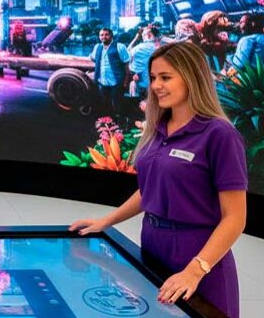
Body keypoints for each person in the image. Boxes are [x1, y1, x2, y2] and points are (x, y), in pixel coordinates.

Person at [70, 42, 247, 317]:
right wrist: (106, 221)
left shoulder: (220, 135)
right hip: (153, 244)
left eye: (165, 77)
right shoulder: (158, 129)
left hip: (198, 251)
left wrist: (195, 270)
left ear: (191, 78)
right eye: (153, 78)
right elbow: (149, 190)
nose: (155, 86)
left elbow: (235, 218)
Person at [89, 28, 130, 120]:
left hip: (116, 82)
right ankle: (107, 124)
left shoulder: (120, 47)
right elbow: (92, 58)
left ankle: (121, 123)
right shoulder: (97, 47)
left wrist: (125, 82)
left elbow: (126, 66)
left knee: (118, 105)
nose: (104, 37)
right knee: (104, 105)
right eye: (101, 35)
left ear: (111, 36)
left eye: (106, 34)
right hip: (102, 82)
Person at [128, 25, 161, 99]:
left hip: (142, 84)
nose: (142, 37)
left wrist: (136, 38)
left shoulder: (138, 48)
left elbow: (127, 55)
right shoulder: (161, 47)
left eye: (143, 35)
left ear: (149, 35)